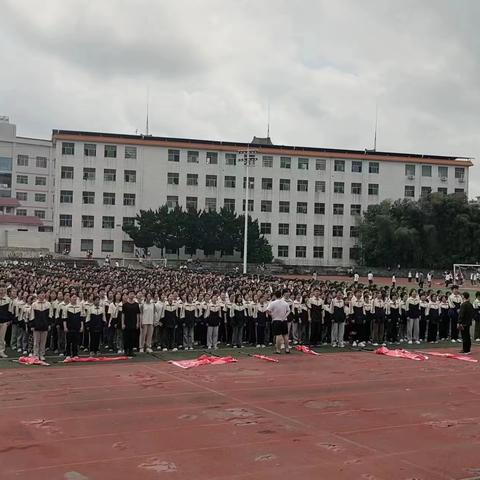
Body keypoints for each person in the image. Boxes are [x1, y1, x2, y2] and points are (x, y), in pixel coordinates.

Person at [267, 290, 291, 354]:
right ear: (281, 295)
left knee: (278, 335)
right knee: (285, 335)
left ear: (275, 295)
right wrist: (284, 317)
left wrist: (272, 315)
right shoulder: (285, 303)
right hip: (284, 320)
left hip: (276, 320)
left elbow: (267, 310)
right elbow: (289, 311)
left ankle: (278, 350)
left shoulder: (273, 303)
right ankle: (287, 349)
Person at [30, 291, 51, 360]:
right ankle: (36, 354)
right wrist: (32, 325)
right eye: (41, 293)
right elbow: (32, 316)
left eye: (43, 293)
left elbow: (50, 315)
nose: (43, 295)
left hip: (45, 325)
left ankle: (42, 354)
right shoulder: (34, 304)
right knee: (36, 341)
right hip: (36, 325)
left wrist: (49, 324)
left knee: (43, 341)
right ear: (38, 295)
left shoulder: (48, 304)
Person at [121, 291, 141, 356]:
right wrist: (122, 323)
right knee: (126, 337)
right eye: (130, 294)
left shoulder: (136, 304)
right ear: (128, 295)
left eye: (133, 294)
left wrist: (137, 323)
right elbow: (123, 314)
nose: (131, 295)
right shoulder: (125, 304)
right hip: (126, 323)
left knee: (133, 337)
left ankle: (131, 350)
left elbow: (138, 314)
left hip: (134, 323)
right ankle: (126, 350)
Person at [0, 286, 10, 358]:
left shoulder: (8, 300)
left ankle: (1, 351)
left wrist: (8, 320)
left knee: (2, 338)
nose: (1, 291)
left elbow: (10, 311)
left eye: (3, 290)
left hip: (4, 322)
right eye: (0, 290)